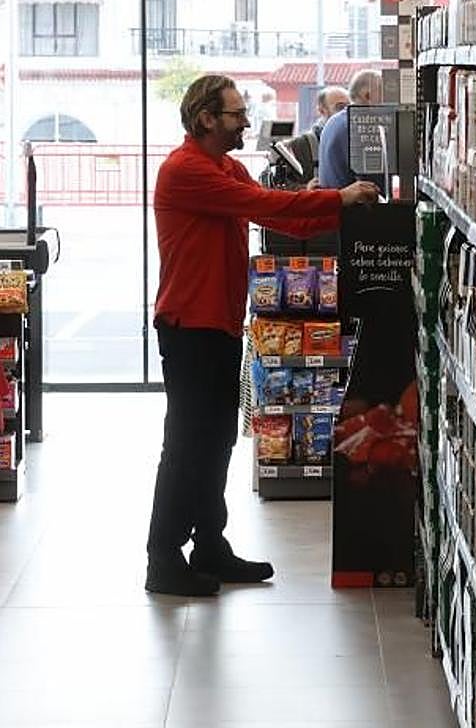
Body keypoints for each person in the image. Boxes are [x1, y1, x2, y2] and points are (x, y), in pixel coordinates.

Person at [147, 74, 377, 597]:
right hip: (189, 327)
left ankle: (209, 544)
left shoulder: (224, 168)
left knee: (217, 440)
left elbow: (278, 218)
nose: (246, 123)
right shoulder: (186, 171)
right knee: (186, 444)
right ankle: (162, 558)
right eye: (235, 115)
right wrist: (336, 198)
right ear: (206, 118)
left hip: (220, 323)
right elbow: (273, 208)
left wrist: (334, 209)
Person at [317, 68, 382, 190]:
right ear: (368, 96)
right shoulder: (360, 125)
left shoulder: (335, 120)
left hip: (333, 201)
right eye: (384, 95)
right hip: (350, 204)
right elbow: (374, 180)